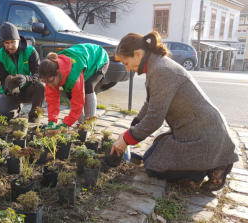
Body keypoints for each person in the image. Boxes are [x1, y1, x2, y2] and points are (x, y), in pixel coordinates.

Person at [110, 31, 239, 191]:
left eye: (126, 63)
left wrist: (127, 140)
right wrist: (131, 129)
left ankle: (212, 165)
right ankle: (205, 161)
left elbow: (154, 119)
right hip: (193, 129)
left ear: (137, 54)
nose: (127, 68)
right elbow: (151, 103)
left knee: (152, 167)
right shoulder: (156, 65)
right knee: (150, 157)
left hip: (206, 135)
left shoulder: (161, 71)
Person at [38, 44, 109, 129]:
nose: (49, 85)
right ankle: (81, 123)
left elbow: (78, 103)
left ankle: (89, 125)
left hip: (98, 57)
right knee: (70, 92)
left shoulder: (74, 75)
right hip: (79, 59)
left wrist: (66, 124)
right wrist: (52, 121)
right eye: (45, 82)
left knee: (88, 86)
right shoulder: (49, 75)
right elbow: (52, 101)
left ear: (58, 72)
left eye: (50, 81)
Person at [0, 22, 44, 123]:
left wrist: (26, 79)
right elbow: (3, 78)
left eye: (13, 42)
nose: (10, 46)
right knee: (3, 115)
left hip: (30, 89)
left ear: (18, 40)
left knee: (41, 86)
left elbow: (38, 75)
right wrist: (7, 89)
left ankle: (33, 117)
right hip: (13, 92)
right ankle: (16, 109)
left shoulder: (30, 51)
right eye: (7, 43)